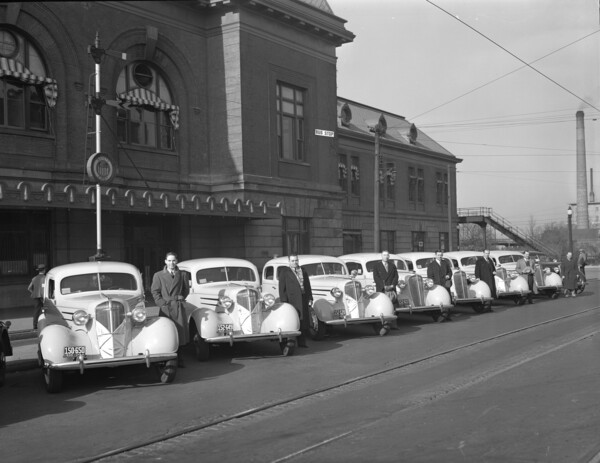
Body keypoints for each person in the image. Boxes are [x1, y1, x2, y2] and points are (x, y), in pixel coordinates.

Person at [151, 252, 190, 366]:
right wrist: (162, 303)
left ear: (177, 261)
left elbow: (186, 290)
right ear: (165, 261)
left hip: (178, 306)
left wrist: (179, 299)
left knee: (180, 331)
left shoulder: (182, 274)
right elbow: (155, 292)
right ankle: (168, 358)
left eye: (173, 260)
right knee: (167, 331)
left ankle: (180, 357)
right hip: (166, 308)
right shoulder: (158, 275)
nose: (171, 263)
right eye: (169, 260)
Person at [278, 255, 313, 348]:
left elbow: (307, 285)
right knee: (292, 320)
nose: (295, 262)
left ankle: (302, 342)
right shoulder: (285, 272)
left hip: (303, 298)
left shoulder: (303, 270)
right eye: (292, 261)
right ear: (289, 261)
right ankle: (290, 342)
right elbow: (282, 288)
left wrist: (310, 298)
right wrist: (284, 301)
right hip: (291, 300)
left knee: (303, 320)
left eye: (296, 260)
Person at [28, 264, 46, 330]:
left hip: (36, 298)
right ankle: (45, 323)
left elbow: (29, 288)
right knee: (44, 310)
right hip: (43, 297)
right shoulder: (45, 278)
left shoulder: (34, 278)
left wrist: (34, 293)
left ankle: (35, 326)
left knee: (36, 311)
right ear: (44, 270)